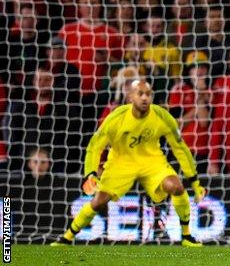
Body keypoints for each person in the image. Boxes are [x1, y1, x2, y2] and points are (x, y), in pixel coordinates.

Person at [50, 80, 206, 247]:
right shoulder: (117, 117)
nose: (145, 98)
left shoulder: (162, 116)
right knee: (98, 202)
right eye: (140, 94)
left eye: (148, 94)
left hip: (152, 162)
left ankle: (187, 236)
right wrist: (90, 174)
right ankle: (67, 237)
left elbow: (180, 148)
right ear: (131, 96)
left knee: (176, 187)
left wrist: (195, 181)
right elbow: (95, 146)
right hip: (120, 162)